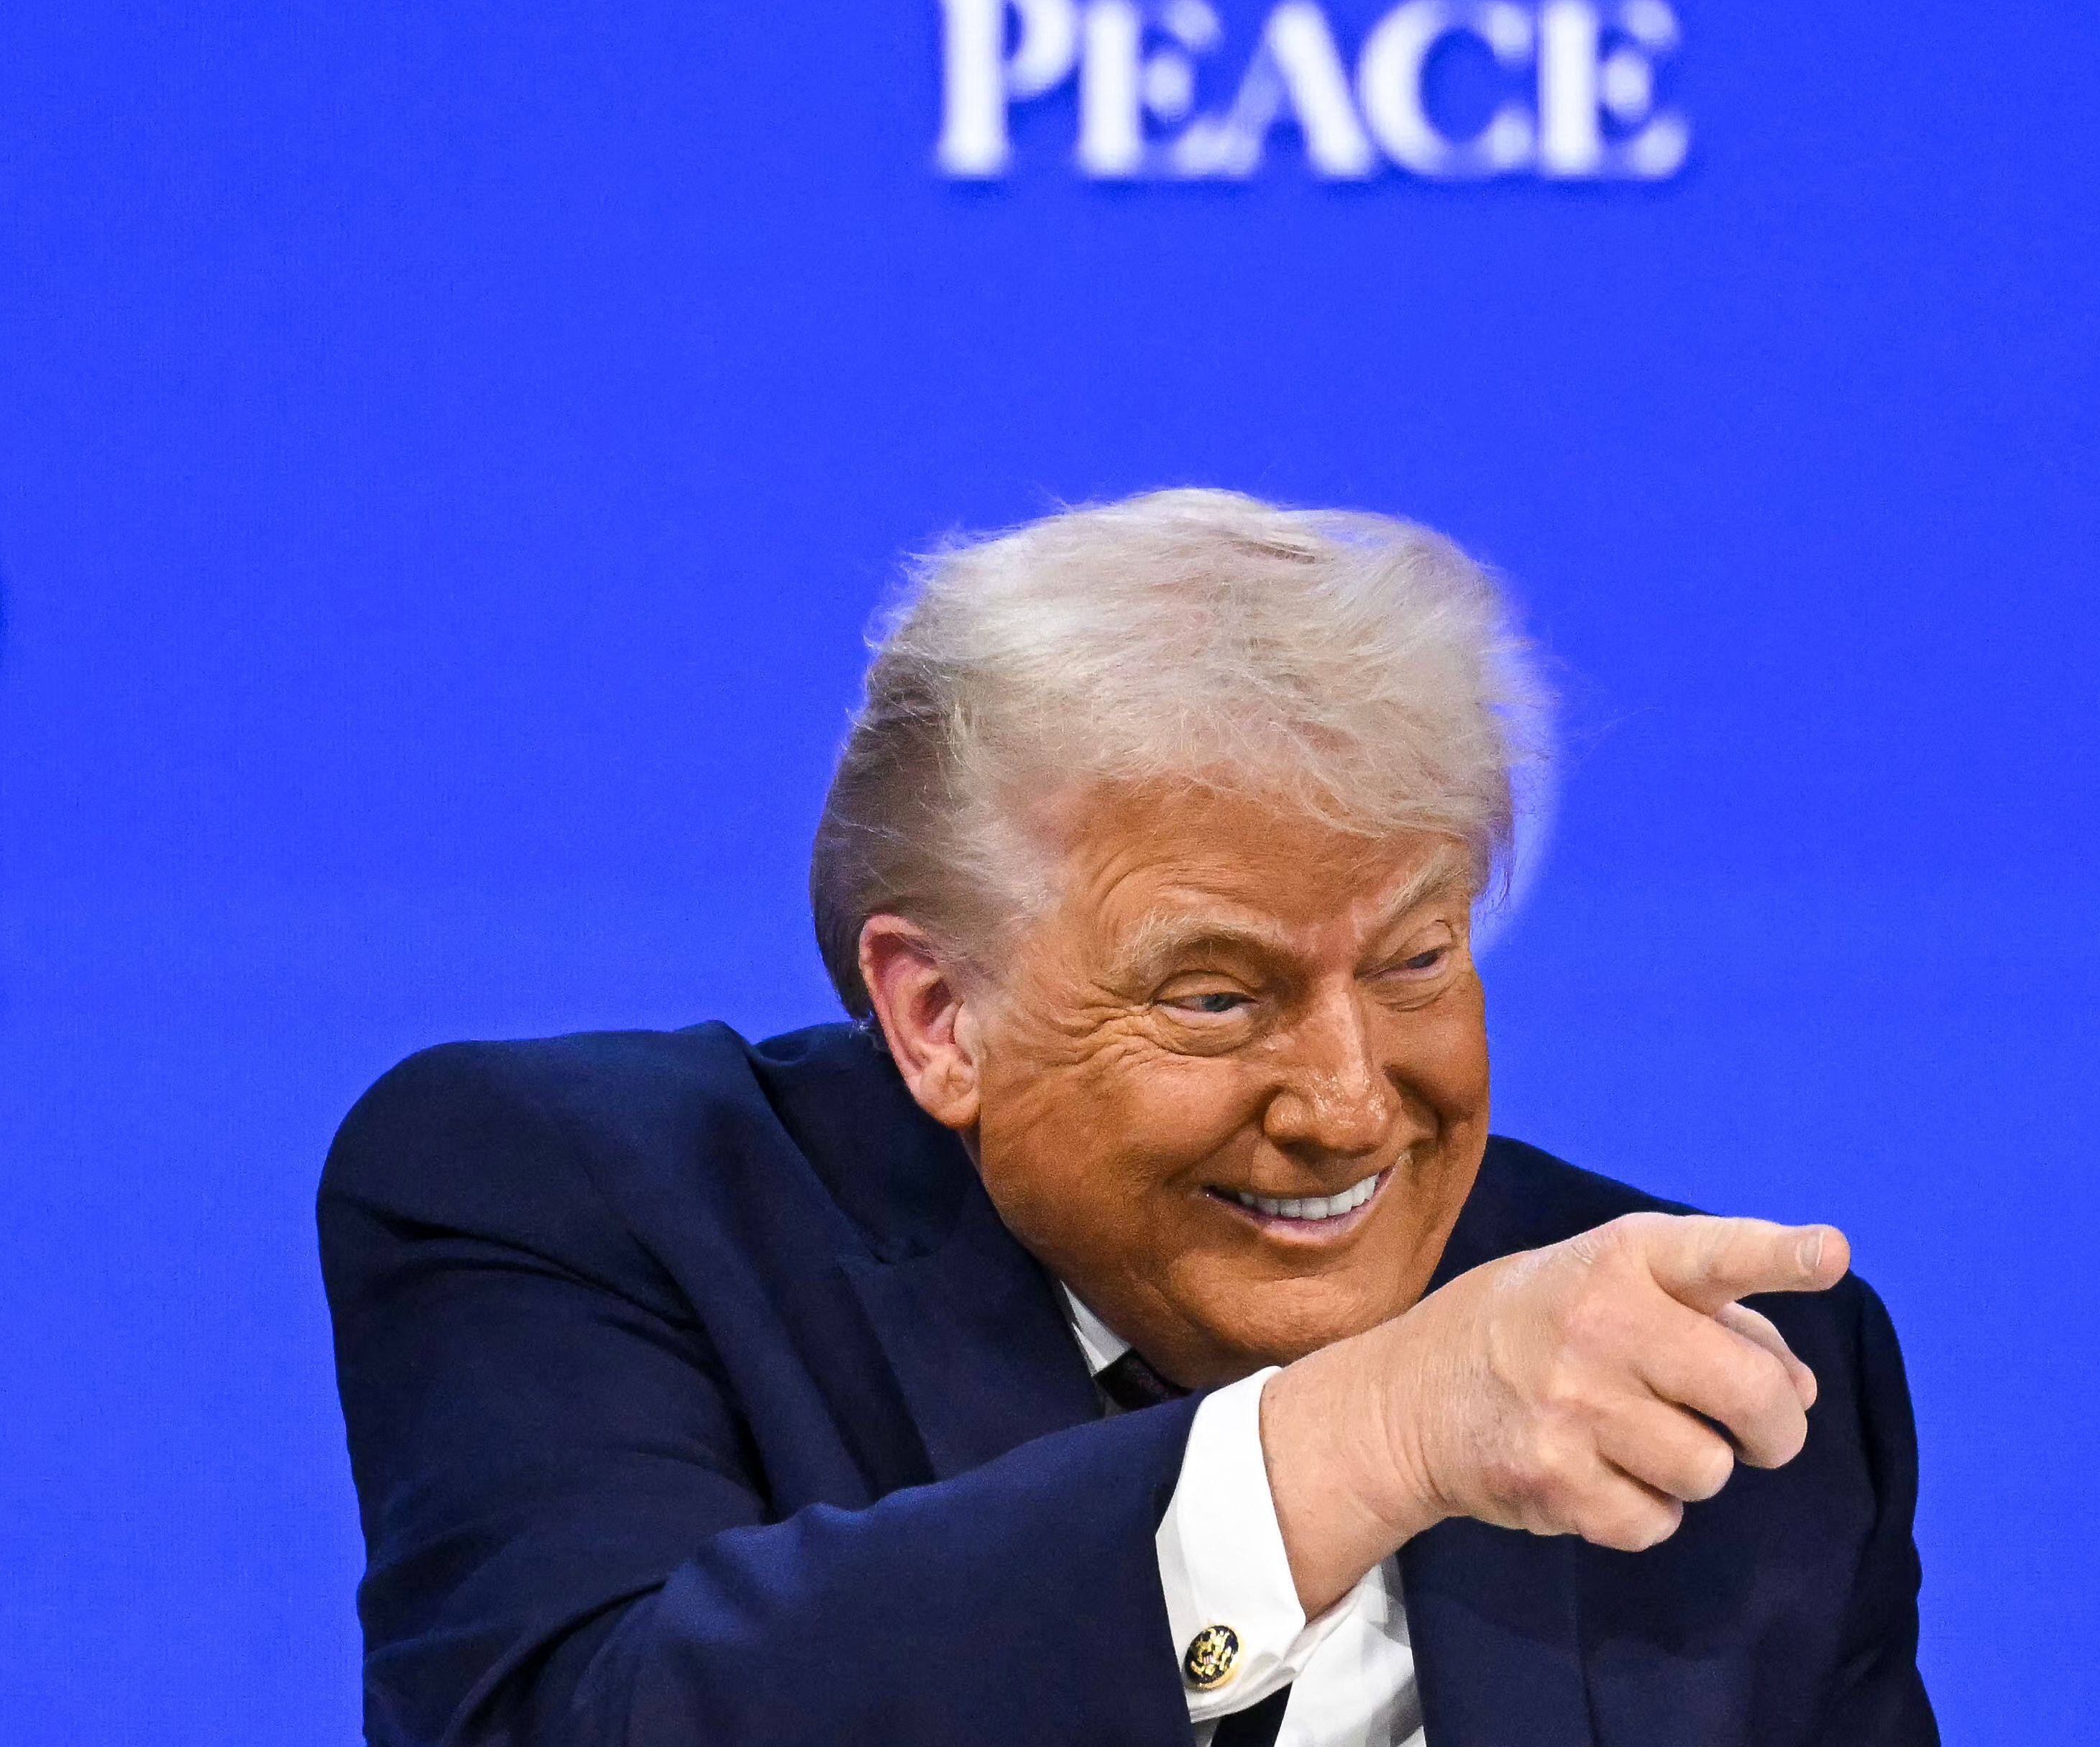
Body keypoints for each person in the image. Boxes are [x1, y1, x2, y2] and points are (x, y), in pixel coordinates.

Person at [320, 490, 1938, 1746]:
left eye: (1414, 961)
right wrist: (1363, 1437)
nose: (1348, 1103)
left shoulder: (1695, 1376)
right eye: (1216, 996)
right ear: (938, 1015)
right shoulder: (574, 1197)